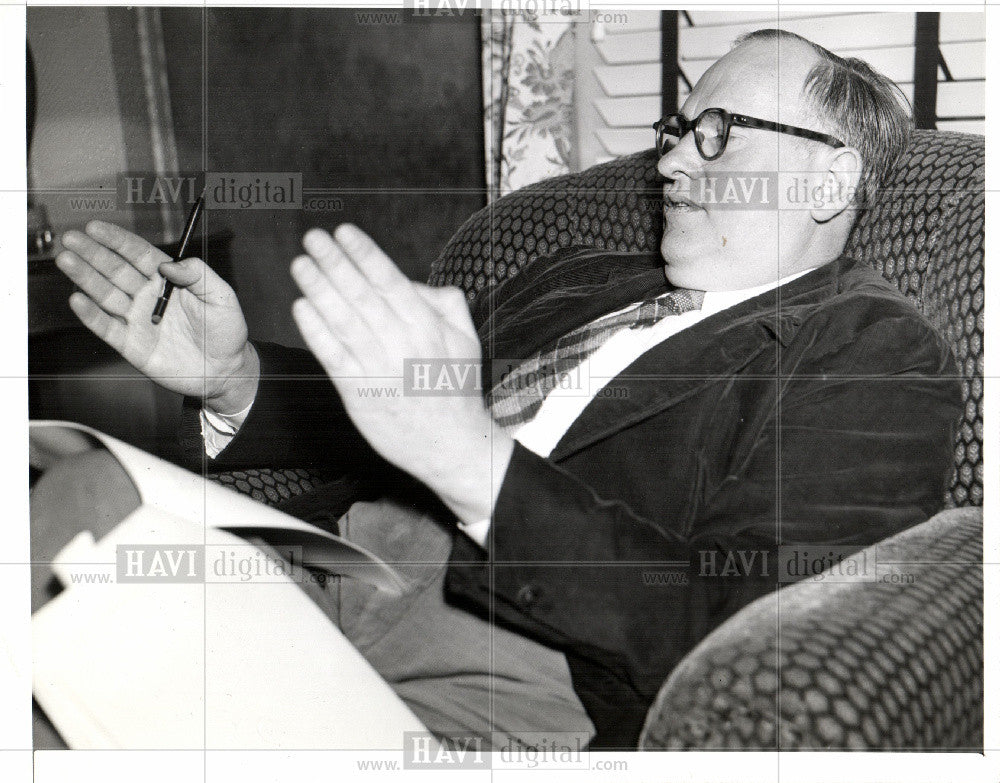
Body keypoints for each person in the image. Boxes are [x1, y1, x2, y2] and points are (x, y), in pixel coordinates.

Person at [45, 30, 961, 749]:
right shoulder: (577, 273)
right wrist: (232, 374)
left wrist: (478, 466)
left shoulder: (874, 353)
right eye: (678, 130)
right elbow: (396, 415)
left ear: (830, 178)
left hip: (516, 669)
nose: (674, 160)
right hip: (333, 565)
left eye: (717, 134)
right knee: (73, 535)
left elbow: (750, 621)